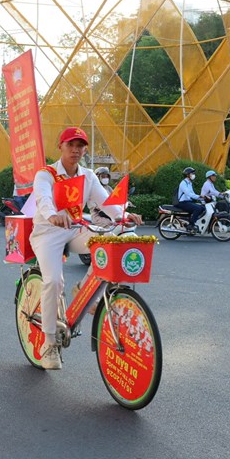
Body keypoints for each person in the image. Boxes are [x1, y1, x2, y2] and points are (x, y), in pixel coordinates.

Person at [29, 127, 143, 370]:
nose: (76, 150)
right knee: (53, 282)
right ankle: (49, 343)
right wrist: (52, 216)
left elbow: (106, 202)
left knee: (110, 240)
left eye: (80, 146)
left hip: (74, 229)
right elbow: (43, 200)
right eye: (71, 144)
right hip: (47, 232)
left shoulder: (88, 176)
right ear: (60, 146)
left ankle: (84, 289)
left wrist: (125, 214)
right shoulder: (45, 174)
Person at [175, 166, 205, 233]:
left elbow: (193, 194)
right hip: (182, 203)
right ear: (187, 175)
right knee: (197, 208)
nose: (194, 175)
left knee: (203, 208)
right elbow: (189, 194)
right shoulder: (183, 183)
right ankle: (191, 224)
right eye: (192, 173)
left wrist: (203, 199)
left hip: (188, 202)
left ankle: (191, 221)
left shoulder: (189, 183)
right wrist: (199, 196)